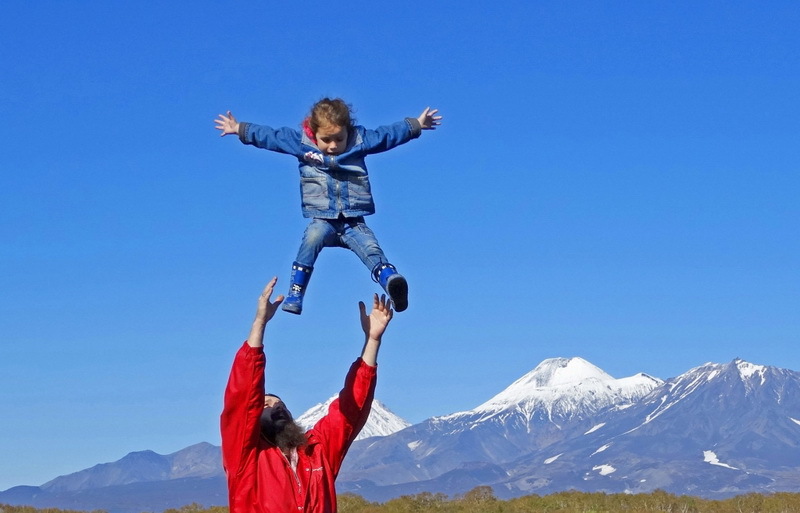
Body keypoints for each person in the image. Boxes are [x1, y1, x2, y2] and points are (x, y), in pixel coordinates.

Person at [215, 99, 442, 315]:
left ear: (348, 132)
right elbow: (271, 137)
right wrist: (240, 128)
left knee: (370, 247)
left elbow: (387, 135)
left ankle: (392, 282)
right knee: (312, 237)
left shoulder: (360, 140)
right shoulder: (301, 143)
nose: (333, 146)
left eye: (339, 139)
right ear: (314, 134)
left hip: (353, 220)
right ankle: (296, 292)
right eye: (326, 140)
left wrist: (416, 124)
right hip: (323, 219)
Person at [220, 277, 394, 513]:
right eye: (266, 404)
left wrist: (372, 341)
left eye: (279, 403)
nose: (276, 406)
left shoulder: (317, 451)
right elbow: (241, 397)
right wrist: (260, 323)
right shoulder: (246, 458)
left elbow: (350, 412)